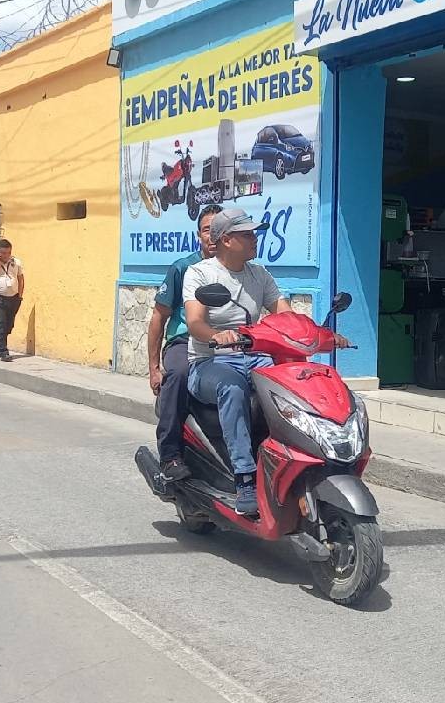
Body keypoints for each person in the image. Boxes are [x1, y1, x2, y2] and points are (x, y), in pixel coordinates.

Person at [183, 208, 348, 515]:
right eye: (247, 234)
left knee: (296, 381)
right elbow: (195, 322)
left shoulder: (260, 274)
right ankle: (245, 477)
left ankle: (299, 456)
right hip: (209, 363)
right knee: (232, 388)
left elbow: (285, 315)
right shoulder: (201, 274)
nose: (254, 239)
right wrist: (218, 335)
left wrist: (321, 335)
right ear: (227, 240)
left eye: (253, 233)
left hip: (254, 357)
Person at [147, 204, 221, 482]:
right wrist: (155, 368)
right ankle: (170, 455)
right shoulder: (182, 268)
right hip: (184, 341)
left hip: (227, 343)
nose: (212, 237)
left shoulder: (241, 269)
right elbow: (158, 317)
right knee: (177, 375)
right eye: (206, 231)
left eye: (218, 230)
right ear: (199, 235)